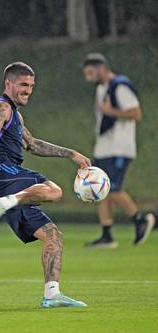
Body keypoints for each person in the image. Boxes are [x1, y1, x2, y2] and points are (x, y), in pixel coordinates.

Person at [0, 62, 89, 308]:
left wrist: (71, 154)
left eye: (31, 86)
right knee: (55, 190)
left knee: (53, 236)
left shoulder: (15, 115)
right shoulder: (1, 107)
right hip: (0, 174)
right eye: (23, 85)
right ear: (9, 84)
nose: (28, 90)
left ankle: (52, 295)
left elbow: (33, 144)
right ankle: (1, 203)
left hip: (10, 183)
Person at [82, 53, 155, 249]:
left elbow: (136, 113)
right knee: (98, 190)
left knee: (112, 189)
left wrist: (111, 111)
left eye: (90, 72)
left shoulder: (120, 86)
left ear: (101, 68)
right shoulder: (101, 89)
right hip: (104, 148)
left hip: (119, 147)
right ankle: (107, 235)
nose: (88, 77)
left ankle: (141, 219)